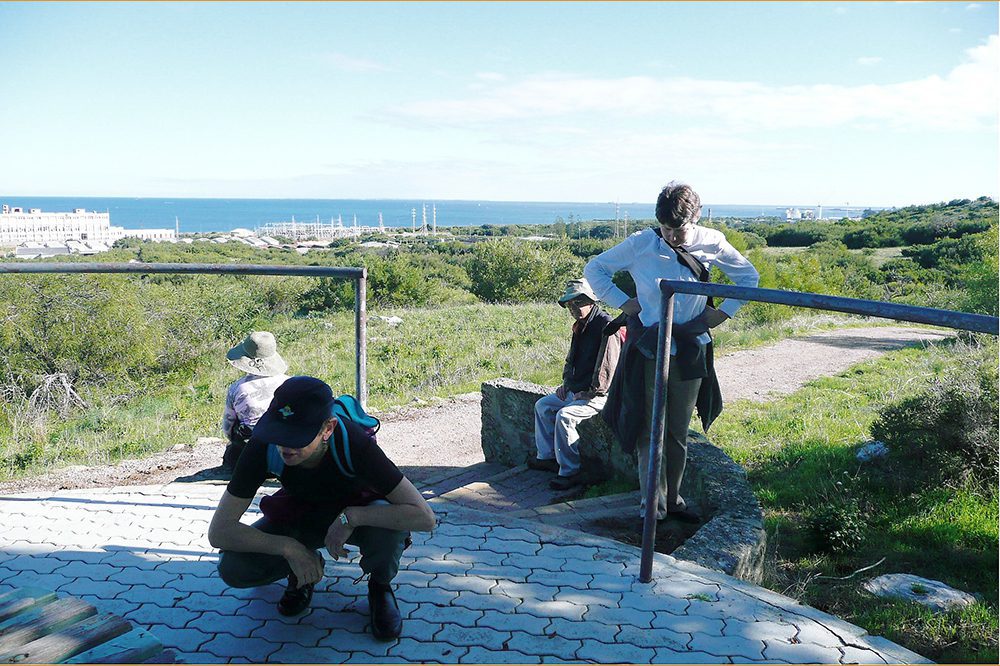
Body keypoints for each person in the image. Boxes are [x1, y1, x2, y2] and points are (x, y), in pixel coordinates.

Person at [208, 376, 436, 640]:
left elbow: (424, 516)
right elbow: (220, 532)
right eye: (280, 433)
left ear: (328, 428)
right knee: (232, 567)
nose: (284, 446)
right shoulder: (264, 444)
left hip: (356, 514)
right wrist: (289, 548)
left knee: (389, 531)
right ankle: (301, 575)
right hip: (299, 514)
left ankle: (380, 586)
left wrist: (351, 517)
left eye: (297, 436)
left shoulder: (354, 444)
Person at [584, 182, 759, 523]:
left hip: (690, 347)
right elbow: (595, 269)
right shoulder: (641, 244)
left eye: (679, 229)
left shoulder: (712, 242)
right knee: (650, 428)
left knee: (677, 431)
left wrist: (723, 312)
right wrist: (626, 303)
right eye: (666, 228)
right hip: (650, 347)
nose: (672, 236)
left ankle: (674, 499)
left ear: (696, 218)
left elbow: (748, 277)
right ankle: (652, 506)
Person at [530, 278, 623, 490]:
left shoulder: (606, 326)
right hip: (578, 390)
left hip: (599, 395)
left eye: (578, 302)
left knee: (565, 416)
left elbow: (608, 366)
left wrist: (591, 393)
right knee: (543, 406)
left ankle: (570, 471)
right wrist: (567, 383)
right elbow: (572, 358)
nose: (573, 307)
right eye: (570, 304)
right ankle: (547, 458)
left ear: (591, 301)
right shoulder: (581, 325)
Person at [221, 331, 290, 470]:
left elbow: (228, 427)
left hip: (251, 454)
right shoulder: (289, 383)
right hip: (286, 453)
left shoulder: (237, 388)